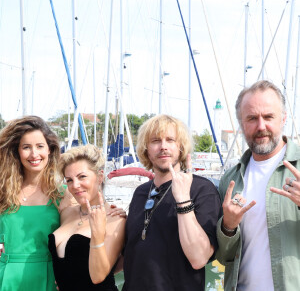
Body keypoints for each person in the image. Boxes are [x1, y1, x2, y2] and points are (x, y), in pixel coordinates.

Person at [216, 80, 300, 290]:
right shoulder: (230, 179)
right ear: (242, 124)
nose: (261, 126)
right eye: (252, 118)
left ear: (283, 118)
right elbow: (221, 257)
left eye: (268, 116)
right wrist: (228, 227)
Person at [122, 114, 222, 291]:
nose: (163, 147)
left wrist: (183, 200)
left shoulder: (201, 189)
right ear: (146, 149)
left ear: (181, 147)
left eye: (170, 140)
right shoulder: (140, 192)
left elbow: (199, 258)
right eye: (155, 141)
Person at [48, 144, 126, 290]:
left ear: (100, 177)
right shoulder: (66, 213)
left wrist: (96, 233)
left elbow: (99, 276)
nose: (75, 185)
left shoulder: (115, 219)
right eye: (69, 180)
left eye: (82, 177)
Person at [0, 115, 64, 290]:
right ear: (17, 151)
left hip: (49, 278)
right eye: (26, 147)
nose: (34, 154)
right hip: (6, 278)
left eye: (40, 146)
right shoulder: (3, 192)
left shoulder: (63, 194)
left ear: (49, 149)